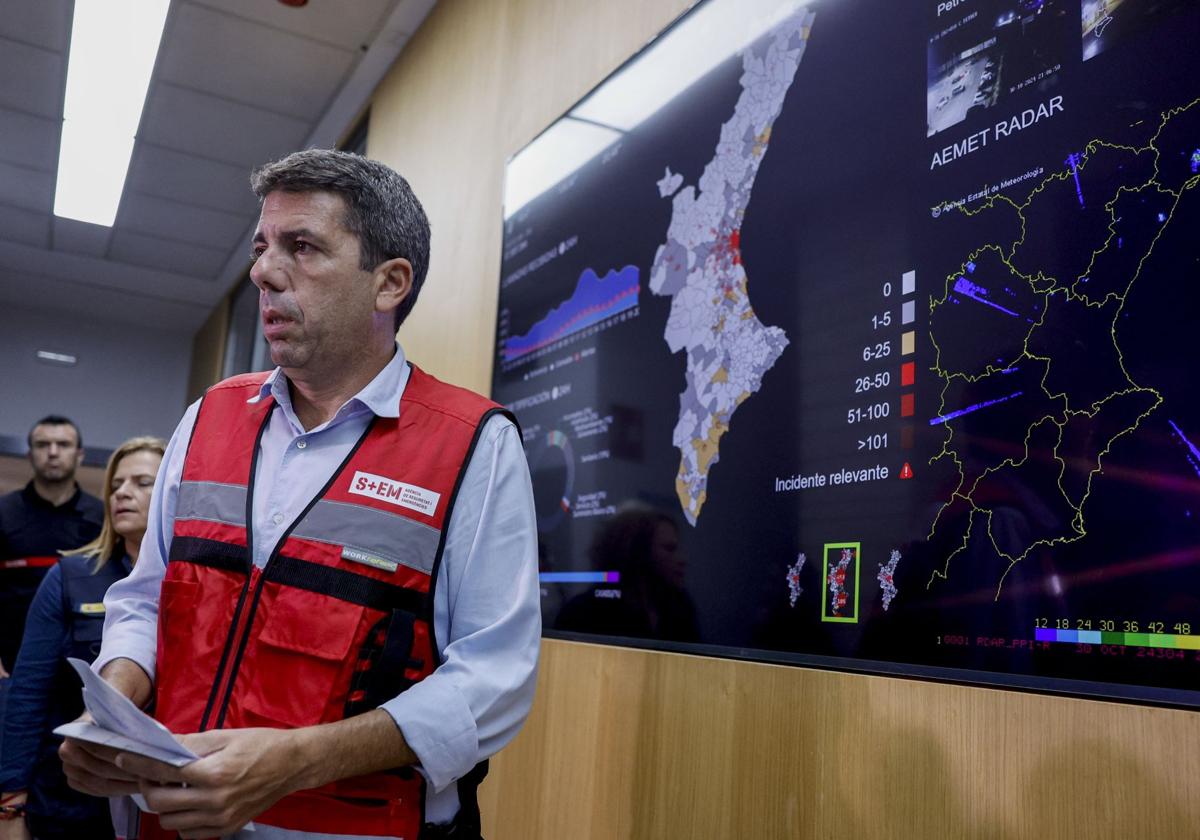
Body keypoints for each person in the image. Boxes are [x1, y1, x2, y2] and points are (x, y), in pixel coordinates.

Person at [59, 149, 541, 840]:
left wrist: (299, 761)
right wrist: (115, 705)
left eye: (302, 246)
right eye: (262, 246)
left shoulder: (471, 443)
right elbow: (147, 596)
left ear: (389, 283)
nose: (262, 270)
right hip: (173, 820)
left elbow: (494, 681)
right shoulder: (210, 418)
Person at [0, 437, 165, 840]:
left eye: (143, 482)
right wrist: (10, 803)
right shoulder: (72, 577)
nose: (122, 492)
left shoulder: (200, 580)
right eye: (116, 484)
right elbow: (27, 695)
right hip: (70, 799)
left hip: (162, 802)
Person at [0, 417, 104, 677]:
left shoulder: (103, 518)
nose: (53, 452)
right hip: (12, 663)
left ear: (79, 455)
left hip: (81, 664)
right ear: (30, 454)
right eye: (43, 444)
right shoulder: (3, 512)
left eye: (63, 444)